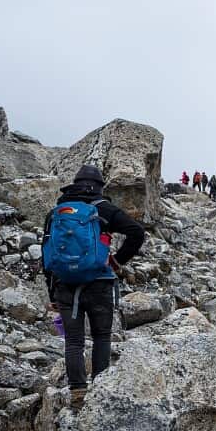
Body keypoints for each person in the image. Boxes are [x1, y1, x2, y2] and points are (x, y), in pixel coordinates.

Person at [42, 166, 145, 407]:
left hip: (65, 284)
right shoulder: (102, 208)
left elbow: (47, 255)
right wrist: (117, 261)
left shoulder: (56, 213)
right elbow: (136, 232)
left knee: (74, 341)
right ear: (99, 186)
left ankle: (78, 393)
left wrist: (52, 291)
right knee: (101, 337)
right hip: (99, 283)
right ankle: (100, 392)